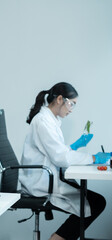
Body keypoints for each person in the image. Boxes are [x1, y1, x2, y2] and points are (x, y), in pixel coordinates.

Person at [19, 82, 108, 240]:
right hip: (41, 182)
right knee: (95, 203)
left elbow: (55, 151)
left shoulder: (50, 120)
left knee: (93, 202)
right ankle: (58, 238)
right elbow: (60, 157)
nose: (71, 109)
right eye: (71, 104)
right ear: (60, 99)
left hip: (47, 177)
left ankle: (59, 237)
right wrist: (94, 158)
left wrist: (74, 146)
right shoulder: (43, 121)